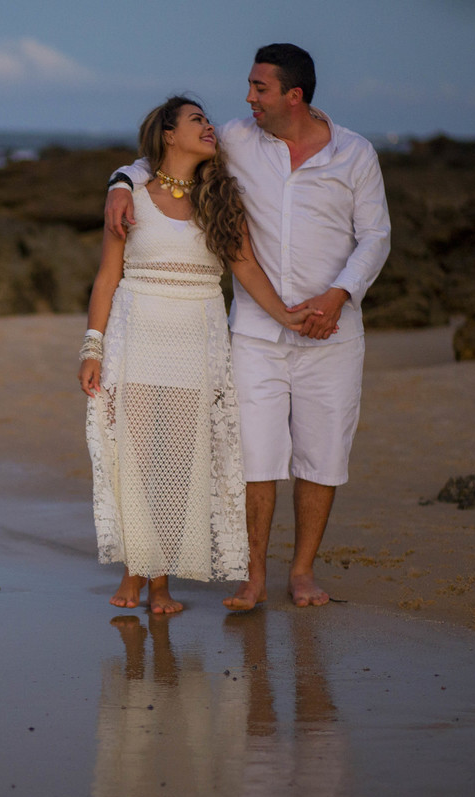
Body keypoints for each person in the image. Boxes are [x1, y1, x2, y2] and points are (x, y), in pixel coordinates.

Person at [104, 44, 391, 610]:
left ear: (294, 95)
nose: (247, 97)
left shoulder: (355, 154)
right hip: (256, 330)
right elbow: (162, 158)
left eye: (260, 88)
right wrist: (120, 180)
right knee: (255, 456)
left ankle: (302, 573)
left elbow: (376, 236)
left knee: (322, 453)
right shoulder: (235, 137)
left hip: (332, 330)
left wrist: (339, 296)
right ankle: (254, 576)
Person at [79, 96, 319, 614]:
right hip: (137, 337)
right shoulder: (130, 198)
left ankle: (162, 585)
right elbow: (106, 277)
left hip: (197, 344)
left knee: (179, 464)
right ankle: (135, 573)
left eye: (209, 121)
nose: (209, 127)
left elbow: (248, 269)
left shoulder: (220, 200)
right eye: (197, 121)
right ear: (168, 134)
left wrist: (287, 315)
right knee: (136, 461)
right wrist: (92, 346)